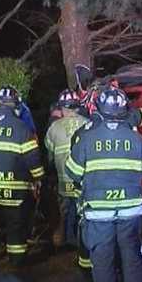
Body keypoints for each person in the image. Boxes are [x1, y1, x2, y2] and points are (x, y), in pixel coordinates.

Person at [65, 86, 142, 282]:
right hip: (132, 210)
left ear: (100, 111)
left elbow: (72, 172)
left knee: (102, 258)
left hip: (98, 213)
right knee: (132, 254)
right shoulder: (135, 137)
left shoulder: (87, 138)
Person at [0, 86, 45, 265]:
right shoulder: (22, 129)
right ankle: (16, 259)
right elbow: (33, 160)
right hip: (15, 193)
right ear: (15, 106)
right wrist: (39, 177)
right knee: (15, 225)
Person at [44, 89, 89, 249]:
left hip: (64, 181)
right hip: (83, 180)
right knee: (82, 211)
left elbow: (49, 155)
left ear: (62, 108)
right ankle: (82, 242)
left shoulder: (54, 128)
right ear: (77, 106)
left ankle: (68, 240)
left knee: (66, 211)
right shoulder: (87, 123)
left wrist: (50, 172)